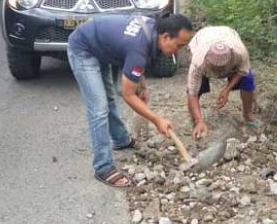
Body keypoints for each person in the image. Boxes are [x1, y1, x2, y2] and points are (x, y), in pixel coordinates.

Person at [67, 13, 194, 188]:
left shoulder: (153, 30)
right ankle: (103, 167)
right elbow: (128, 95)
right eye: (179, 45)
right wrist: (157, 120)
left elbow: (134, 61)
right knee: (99, 108)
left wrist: (141, 83)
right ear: (165, 37)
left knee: (109, 98)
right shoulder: (138, 47)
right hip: (83, 48)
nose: (179, 51)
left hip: (101, 46)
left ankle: (121, 140)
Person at [186, 26, 261, 140]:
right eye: (215, 69)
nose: (218, 73)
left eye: (222, 69)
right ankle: (196, 122)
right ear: (207, 61)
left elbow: (242, 71)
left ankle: (248, 115)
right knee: (196, 88)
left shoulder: (240, 53)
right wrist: (200, 121)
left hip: (228, 34)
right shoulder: (198, 61)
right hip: (202, 37)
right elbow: (193, 94)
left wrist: (227, 90)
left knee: (248, 79)